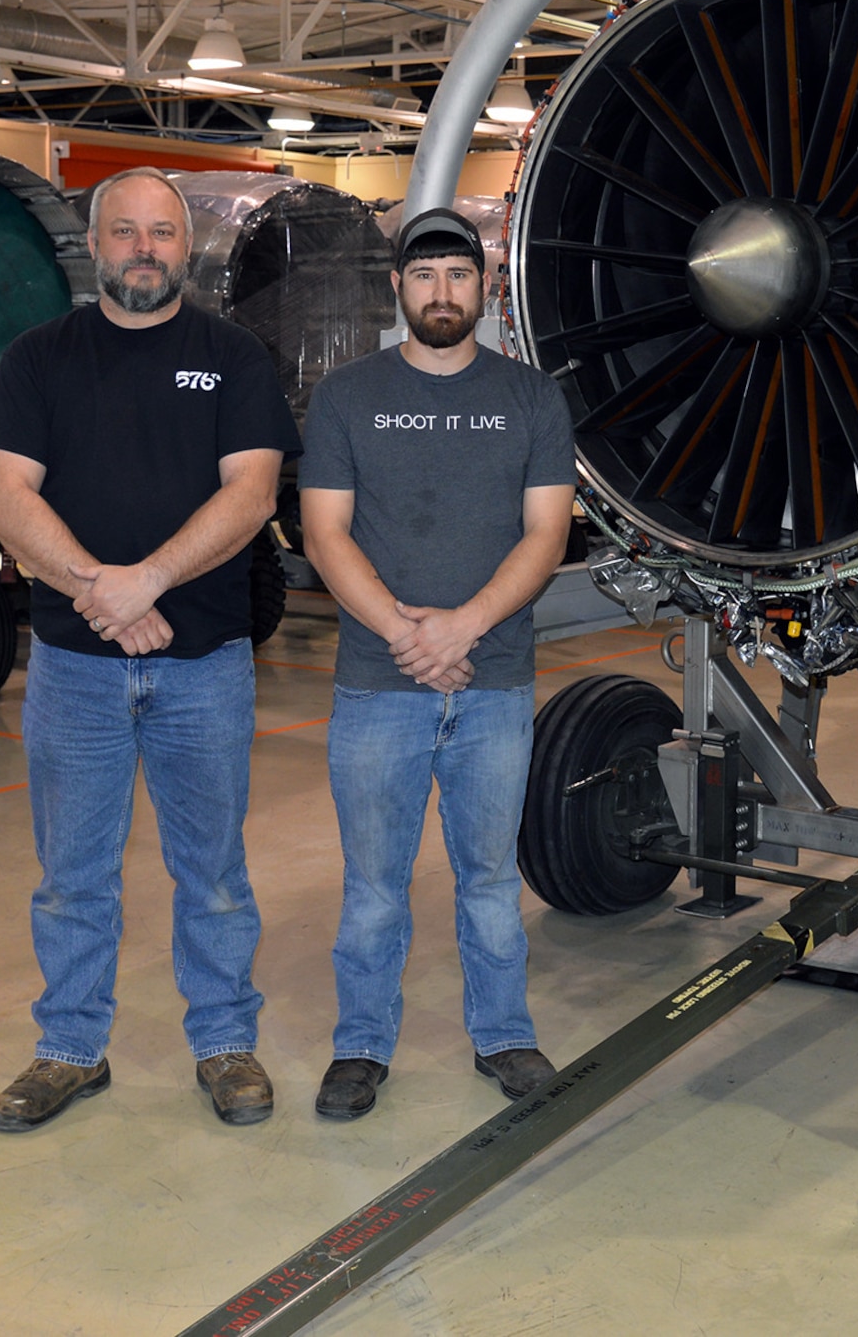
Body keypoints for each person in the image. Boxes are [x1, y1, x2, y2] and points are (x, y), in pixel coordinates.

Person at [0, 166, 300, 1132]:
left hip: (203, 666)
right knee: (73, 874)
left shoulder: (233, 357)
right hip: (75, 670)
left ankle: (225, 1042)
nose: (144, 249)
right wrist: (98, 592)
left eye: (161, 232)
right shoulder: (39, 358)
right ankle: (69, 1049)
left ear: (184, 248)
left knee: (213, 870)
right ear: (96, 242)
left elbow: (250, 494)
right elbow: (3, 496)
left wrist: (145, 582)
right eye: (126, 231)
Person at [299, 207, 575, 1121]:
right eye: (424, 276)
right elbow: (325, 534)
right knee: (374, 884)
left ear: (485, 288)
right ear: (397, 290)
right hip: (378, 686)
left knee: (490, 880)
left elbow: (547, 533)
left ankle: (502, 1032)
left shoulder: (531, 397)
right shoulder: (345, 396)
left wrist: (463, 628)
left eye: (459, 275)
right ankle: (360, 1045)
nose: (442, 292)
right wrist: (409, 636)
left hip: (492, 684)